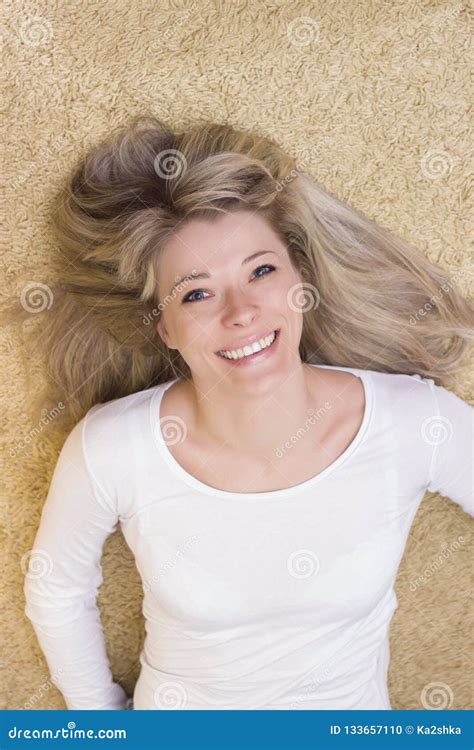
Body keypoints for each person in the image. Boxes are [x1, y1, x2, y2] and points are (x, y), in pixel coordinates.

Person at [20, 115, 473, 710]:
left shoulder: (413, 421)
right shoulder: (113, 446)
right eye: (197, 293)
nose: (242, 313)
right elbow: (55, 587)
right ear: (163, 325)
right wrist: (101, 722)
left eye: (261, 271)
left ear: (300, 280)